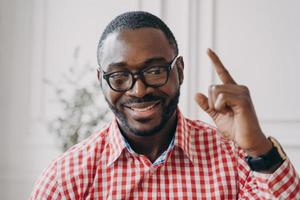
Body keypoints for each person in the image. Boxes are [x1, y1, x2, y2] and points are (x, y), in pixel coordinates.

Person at [30, 11, 300, 199]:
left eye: (155, 71)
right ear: (101, 80)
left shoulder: (237, 160)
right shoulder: (65, 178)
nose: (139, 90)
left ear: (179, 70)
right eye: (120, 76)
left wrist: (258, 148)